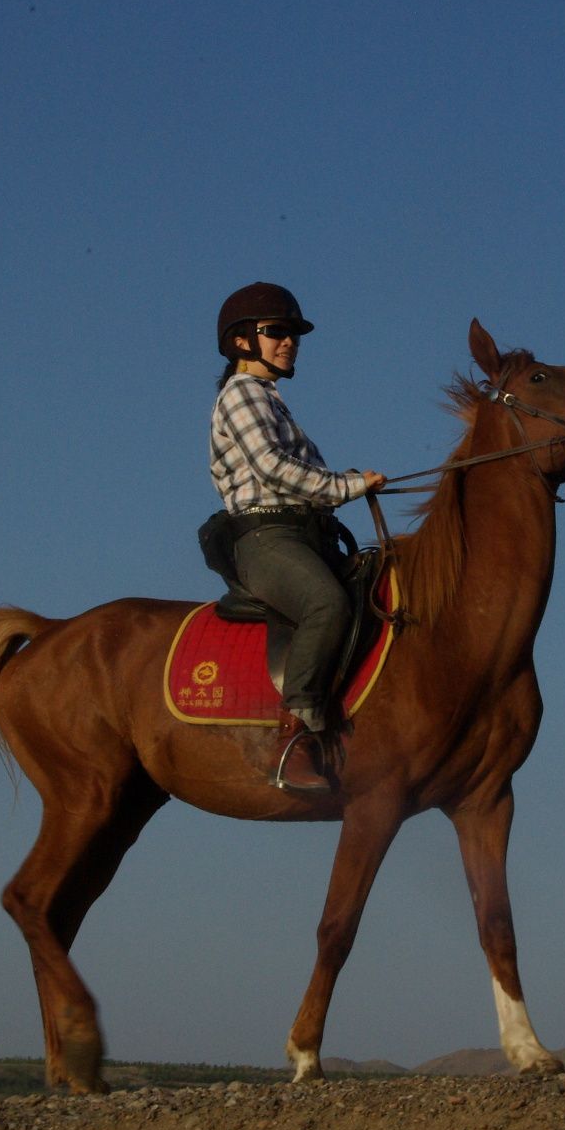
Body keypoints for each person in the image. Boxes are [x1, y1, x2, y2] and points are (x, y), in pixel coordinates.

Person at [208, 281, 386, 793]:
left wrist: (344, 485)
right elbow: (273, 468)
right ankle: (296, 735)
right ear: (243, 341)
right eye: (276, 332)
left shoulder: (272, 400)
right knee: (327, 604)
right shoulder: (241, 394)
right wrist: (349, 486)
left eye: (293, 334)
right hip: (266, 537)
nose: (289, 342)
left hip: (304, 535)